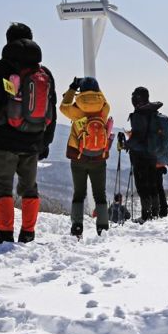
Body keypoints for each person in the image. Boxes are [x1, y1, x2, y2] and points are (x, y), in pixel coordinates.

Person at [0, 23, 56, 247]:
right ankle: (28, 233)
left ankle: (4, 235)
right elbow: (52, 110)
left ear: (8, 41)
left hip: (4, 141)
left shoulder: (1, 69)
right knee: (30, 188)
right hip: (33, 141)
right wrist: (45, 142)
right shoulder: (44, 73)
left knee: (1, 186)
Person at [60, 76, 111, 237]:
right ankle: (102, 226)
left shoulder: (76, 110)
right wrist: (97, 88)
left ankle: (77, 226)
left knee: (79, 193)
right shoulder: (104, 108)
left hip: (79, 157)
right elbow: (103, 99)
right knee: (100, 194)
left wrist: (73, 87)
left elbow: (63, 106)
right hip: (99, 158)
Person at [125, 86, 168, 222]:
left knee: (143, 187)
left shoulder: (139, 114)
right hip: (153, 155)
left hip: (140, 156)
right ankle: (155, 213)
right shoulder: (153, 112)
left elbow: (138, 137)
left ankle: (146, 214)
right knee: (153, 185)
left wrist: (127, 143)